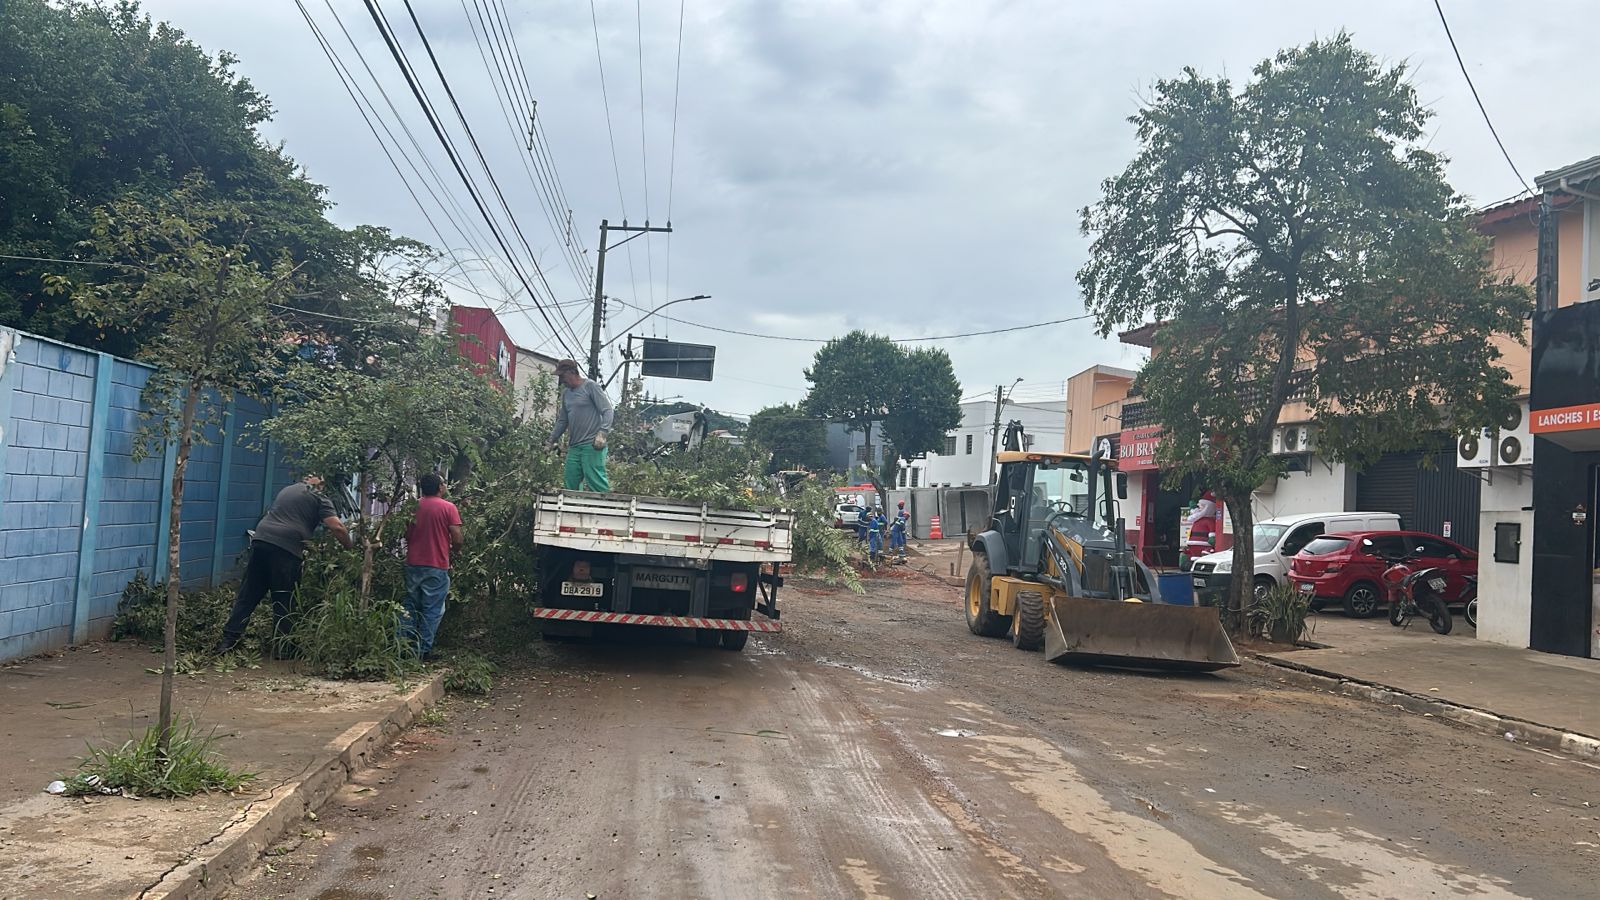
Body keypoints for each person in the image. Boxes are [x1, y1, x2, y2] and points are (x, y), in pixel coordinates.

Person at [217, 474, 353, 655]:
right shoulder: (320, 497)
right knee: (284, 597)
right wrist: (351, 549)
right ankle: (283, 648)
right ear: (322, 483)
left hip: (261, 540)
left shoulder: (288, 490)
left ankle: (228, 642)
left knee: (249, 593)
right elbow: (337, 527)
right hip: (286, 548)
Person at [401, 472, 463, 661]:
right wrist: (455, 550)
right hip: (436, 564)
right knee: (433, 609)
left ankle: (403, 646)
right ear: (440, 488)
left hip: (412, 563)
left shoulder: (412, 507)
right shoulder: (448, 508)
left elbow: (406, 533)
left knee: (410, 605)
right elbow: (457, 536)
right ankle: (422, 651)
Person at [549, 359, 614, 492]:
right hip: (574, 446)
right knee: (570, 481)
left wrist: (603, 433)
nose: (561, 380)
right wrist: (551, 440)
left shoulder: (590, 387)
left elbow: (607, 410)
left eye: (562, 376)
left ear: (572, 372)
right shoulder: (566, 394)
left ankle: (604, 511)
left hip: (591, 445)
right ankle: (572, 511)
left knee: (595, 482)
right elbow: (562, 421)